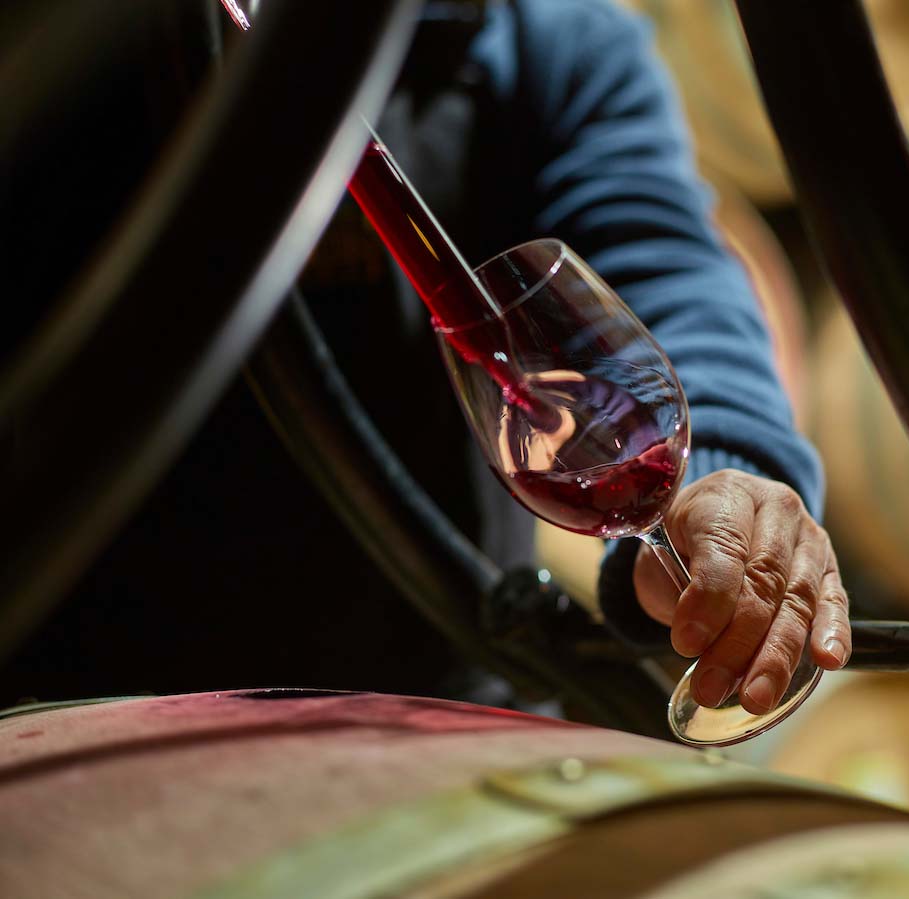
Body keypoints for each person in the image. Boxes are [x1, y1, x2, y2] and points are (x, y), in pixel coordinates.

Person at [0, 0, 851, 717]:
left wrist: (723, 484)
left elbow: (665, 276)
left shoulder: (533, 34)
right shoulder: (53, 45)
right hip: (71, 722)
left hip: (443, 716)